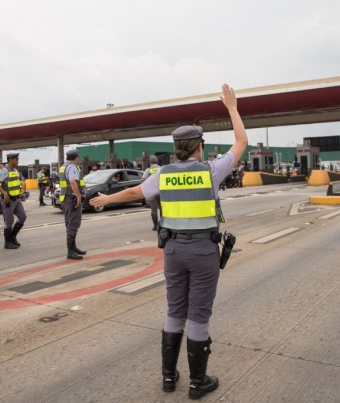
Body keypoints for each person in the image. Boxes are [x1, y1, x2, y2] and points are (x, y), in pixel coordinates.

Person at [90, 84, 247, 399]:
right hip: (203, 251)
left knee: (175, 311)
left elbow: (135, 192)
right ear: (198, 146)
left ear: (177, 147)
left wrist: (106, 199)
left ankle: (167, 378)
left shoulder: (163, 174)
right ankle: (197, 383)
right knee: (199, 315)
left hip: (173, 251)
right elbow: (241, 141)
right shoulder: (211, 171)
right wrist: (231, 107)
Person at [0, 153, 26, 250]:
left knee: (23, 217)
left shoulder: (15, 170)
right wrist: (4, 193)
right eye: (16, 159)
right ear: (11, 160)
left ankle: (13, 237)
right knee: (9, 221)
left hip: (16, 198)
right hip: (8, 200)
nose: (18, 161)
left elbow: (20, 180)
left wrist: (22, 185)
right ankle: (7, 242)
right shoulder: (4, 171)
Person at [59, 150, 87, 259]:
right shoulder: (72, 167)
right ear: (76, 157)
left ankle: (73, 247)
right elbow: (72, 181)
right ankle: (71, 251)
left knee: (69, 222)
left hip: (66, 198)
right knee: (74, 223)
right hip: (72, 198)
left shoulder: (63, 166)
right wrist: (78, 196)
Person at [141, 155, 161, 230]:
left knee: (154, 210)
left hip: (152, 192)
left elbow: (143, 180)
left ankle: (155, 226)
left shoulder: (148, 170)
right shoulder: (161, 168)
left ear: (149, 163)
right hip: (161, 192)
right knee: (162, 209)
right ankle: (163, 224)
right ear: (157, 162)